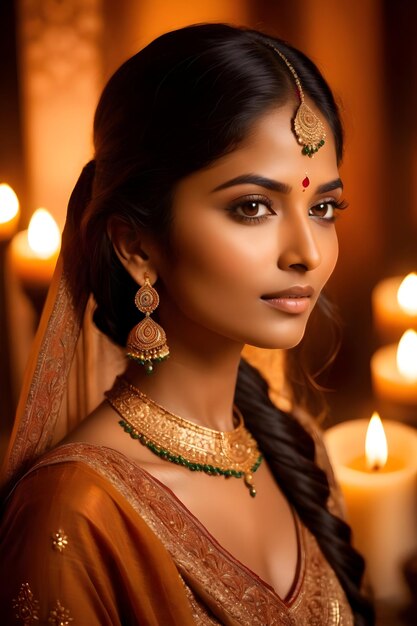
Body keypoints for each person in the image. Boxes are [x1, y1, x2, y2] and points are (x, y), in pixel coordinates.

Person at [0, 23, 374, 625]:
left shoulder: (297, 449)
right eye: (252, 207)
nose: (306, 251)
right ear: (136, 246)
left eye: (322, 207)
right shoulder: (74, 514)